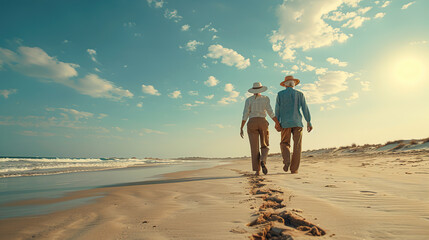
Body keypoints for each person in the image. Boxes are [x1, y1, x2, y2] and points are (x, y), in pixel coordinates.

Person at [275, 75, 313, 174]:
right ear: (294, 84)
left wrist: (277, 122)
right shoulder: (300, 94)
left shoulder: (280, 94)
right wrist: (308, 121)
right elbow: (305, 108)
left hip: (285, 123)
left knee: (284, 143)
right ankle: (294, 169)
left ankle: (287, 161)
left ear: (285, 85)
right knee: (297, 146)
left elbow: (277, 110)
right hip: (298, 123)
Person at [241, 82, 280, 176]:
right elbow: (270, 112)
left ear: (253, 90)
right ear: (261, 89)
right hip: (263, 121)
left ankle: (257, 170)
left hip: (252, 122)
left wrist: (241, 127)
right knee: (265, 144)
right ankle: (263, 160)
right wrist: (277, 123)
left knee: (254, 148)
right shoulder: (265, 98)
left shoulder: (248, 100)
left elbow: (245, 114)